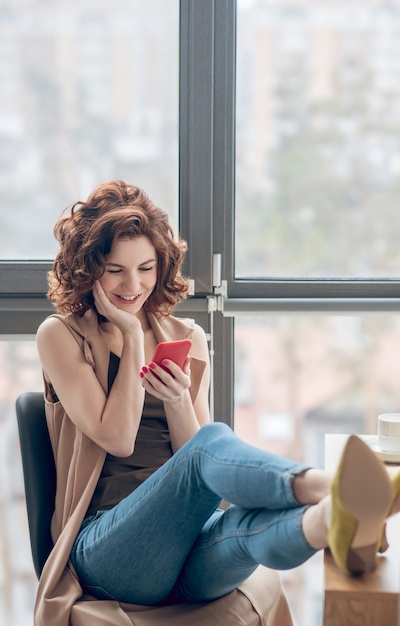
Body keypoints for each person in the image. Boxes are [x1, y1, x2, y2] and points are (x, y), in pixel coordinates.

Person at [35, 179, 399, 624]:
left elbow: (204, 474)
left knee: (244, 531)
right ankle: (329, 485)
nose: (133, 285)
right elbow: (118, 438)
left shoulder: (187, 337)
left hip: (186, 545)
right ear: (88, 269)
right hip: (109, 549)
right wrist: (131, 335)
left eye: (146, 268)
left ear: (161, 266)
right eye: (115, 270)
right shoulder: (62, 334)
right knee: (214, 440)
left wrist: (177, 402)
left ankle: (331, 520)